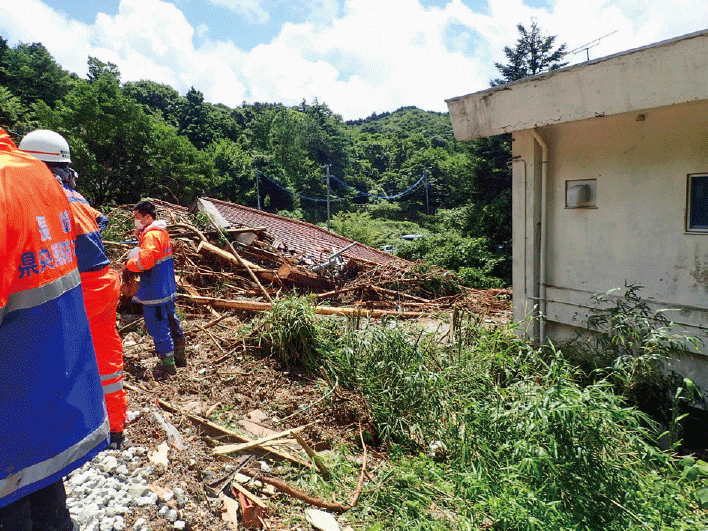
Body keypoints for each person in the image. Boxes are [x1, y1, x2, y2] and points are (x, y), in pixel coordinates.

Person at [0, 128, 109, 530]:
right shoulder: (45, 188)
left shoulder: (11, 184)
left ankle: (114, 427)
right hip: (50, 371)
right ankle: (110, 426)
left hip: (13, 389)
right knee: (48, 500)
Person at [19, 129, 128, 449]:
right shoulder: (75, 196)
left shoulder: (41, 194)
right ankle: (115, 427)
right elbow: (99, 222)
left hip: (77, 285)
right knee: (106, 354)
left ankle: (59, 432)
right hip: (105, 281)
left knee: (50, 356)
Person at [124, 200, 186, 378]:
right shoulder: (161, 233)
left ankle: (167, 366)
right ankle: (180, 358)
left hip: (154, 291)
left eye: (137, 217)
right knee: (172, 321)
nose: (135, 221)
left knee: (158, 327)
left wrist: (128, 265)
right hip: (167, 289)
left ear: (147, 217)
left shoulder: (151, 236)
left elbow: (145, 262)